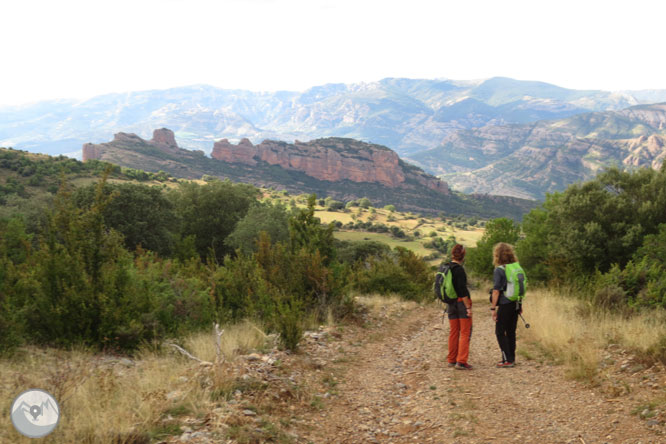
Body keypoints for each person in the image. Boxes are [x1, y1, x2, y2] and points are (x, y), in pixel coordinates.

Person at [490, 242, 521, 368]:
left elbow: (496, 290)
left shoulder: (499, 270)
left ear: (497, 255)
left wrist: (493, 308)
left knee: (499, 332)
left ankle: (506, 359)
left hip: (505, 304)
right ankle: (511, 358)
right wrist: (520, 304)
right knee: (511, 331)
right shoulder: (516, 268)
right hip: (516, 303)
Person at [445, 244, 473, 370]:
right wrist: (468, 307)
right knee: (465, 332)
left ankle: (451, 359)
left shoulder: (446, 267)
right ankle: (461, 362)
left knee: (454, 331)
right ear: (463, 255)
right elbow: (462, 290)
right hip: (461, 303)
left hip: (450, 303)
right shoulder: (459, 270)